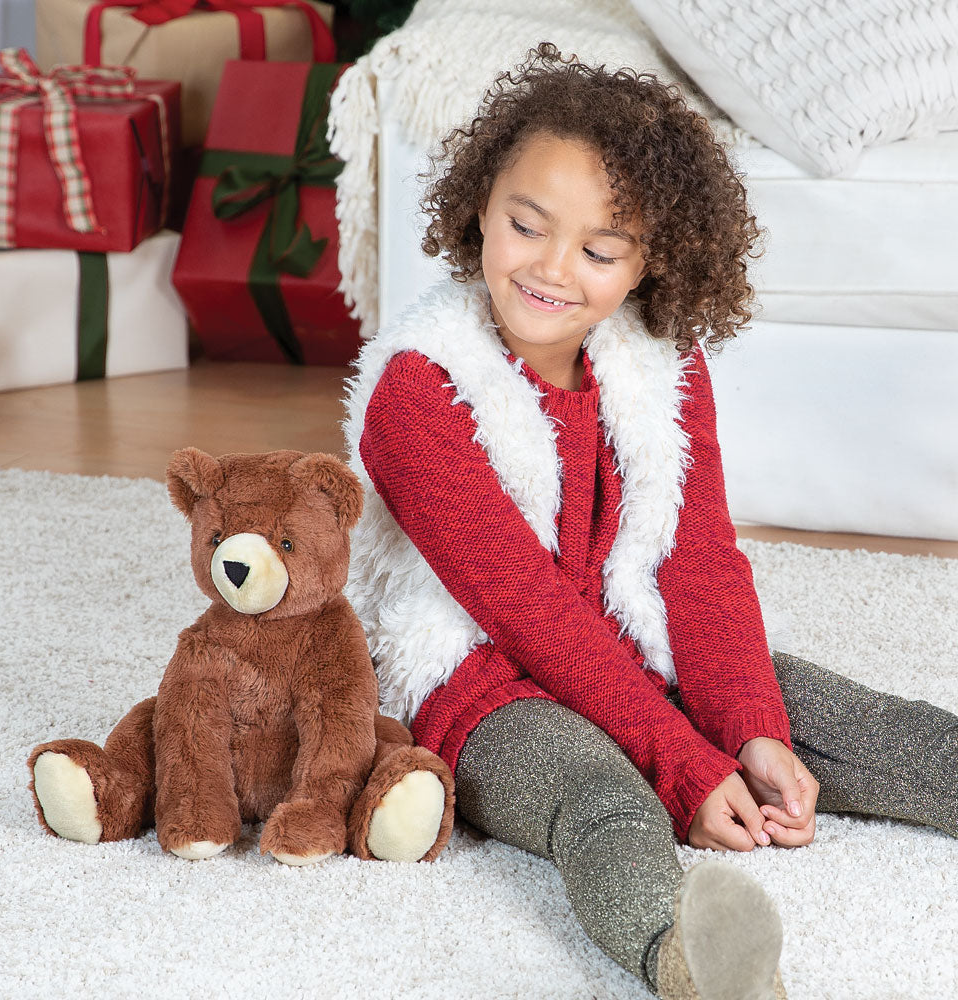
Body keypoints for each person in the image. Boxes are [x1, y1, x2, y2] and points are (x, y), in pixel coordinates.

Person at [341, 43, 958, 1000]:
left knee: (850, 722)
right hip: (483, 676)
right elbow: (527, 612)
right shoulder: (418, 394)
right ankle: (691, 960)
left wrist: (747, 727)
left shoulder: (662, 368)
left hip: (639, 643)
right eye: (526, 225)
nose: (551, 269)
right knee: (602, 798)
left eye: (598, 251)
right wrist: (679, 762)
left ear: (650, 260)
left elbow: (699, 562)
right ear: (479, 205)